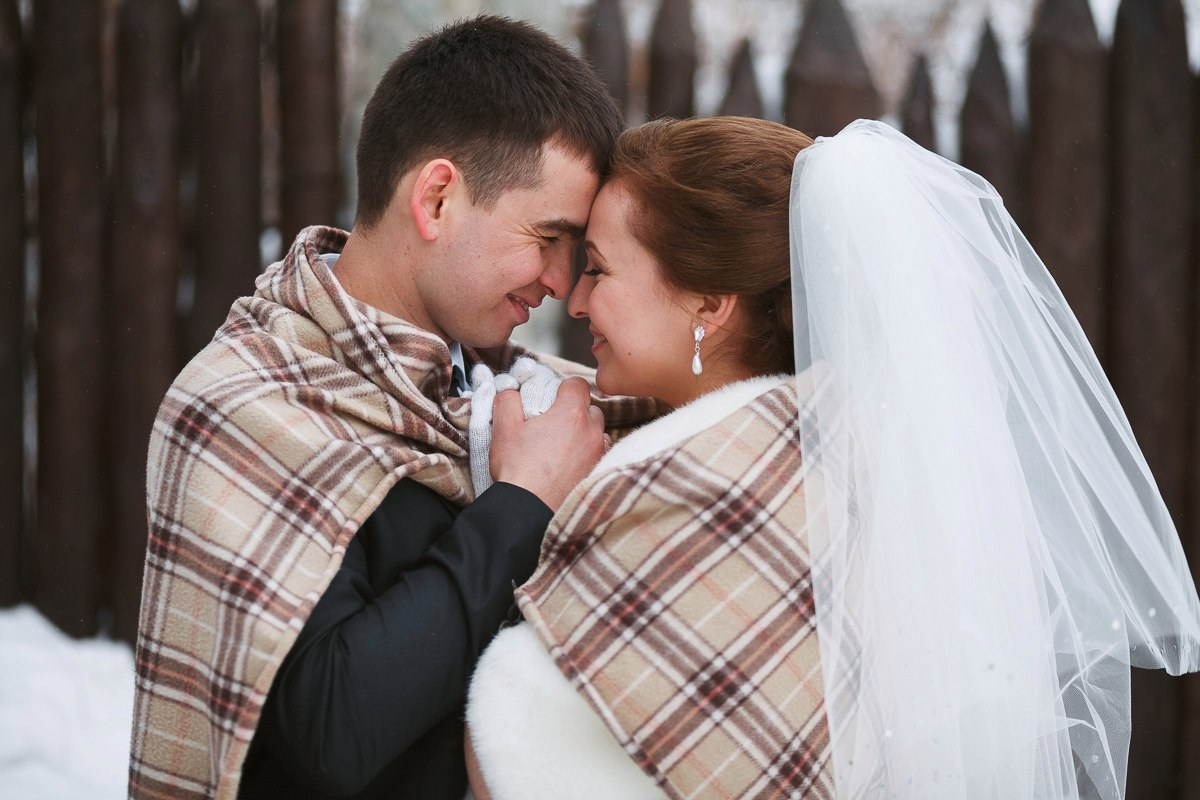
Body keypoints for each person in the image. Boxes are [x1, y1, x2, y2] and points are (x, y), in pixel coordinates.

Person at [464, 116, 1200, 799]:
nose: (577, 300)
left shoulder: (712, 486)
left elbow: (522, 760)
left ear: (709, 303)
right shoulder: (846, 453)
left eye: (599, 268)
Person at [127, 16, 658, 800]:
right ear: (437, 199)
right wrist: (520, 506)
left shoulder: (518, 392)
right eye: (548, 237)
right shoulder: (246, 407)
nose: (558, 280)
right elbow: (334, 729)